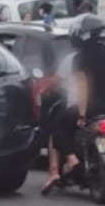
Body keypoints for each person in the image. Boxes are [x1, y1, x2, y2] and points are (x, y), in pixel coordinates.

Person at [48, 14, 105, 192]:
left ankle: (73, 160)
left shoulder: (79, 58)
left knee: (58, 124)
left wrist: (81, 114)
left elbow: (82, 87)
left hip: (93, 106)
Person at [42, 39, 80, 195]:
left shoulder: (73, 59)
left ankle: (55, 171)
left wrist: (44, 89)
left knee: (55, 129)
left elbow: (56, 81)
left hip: (77, 106)